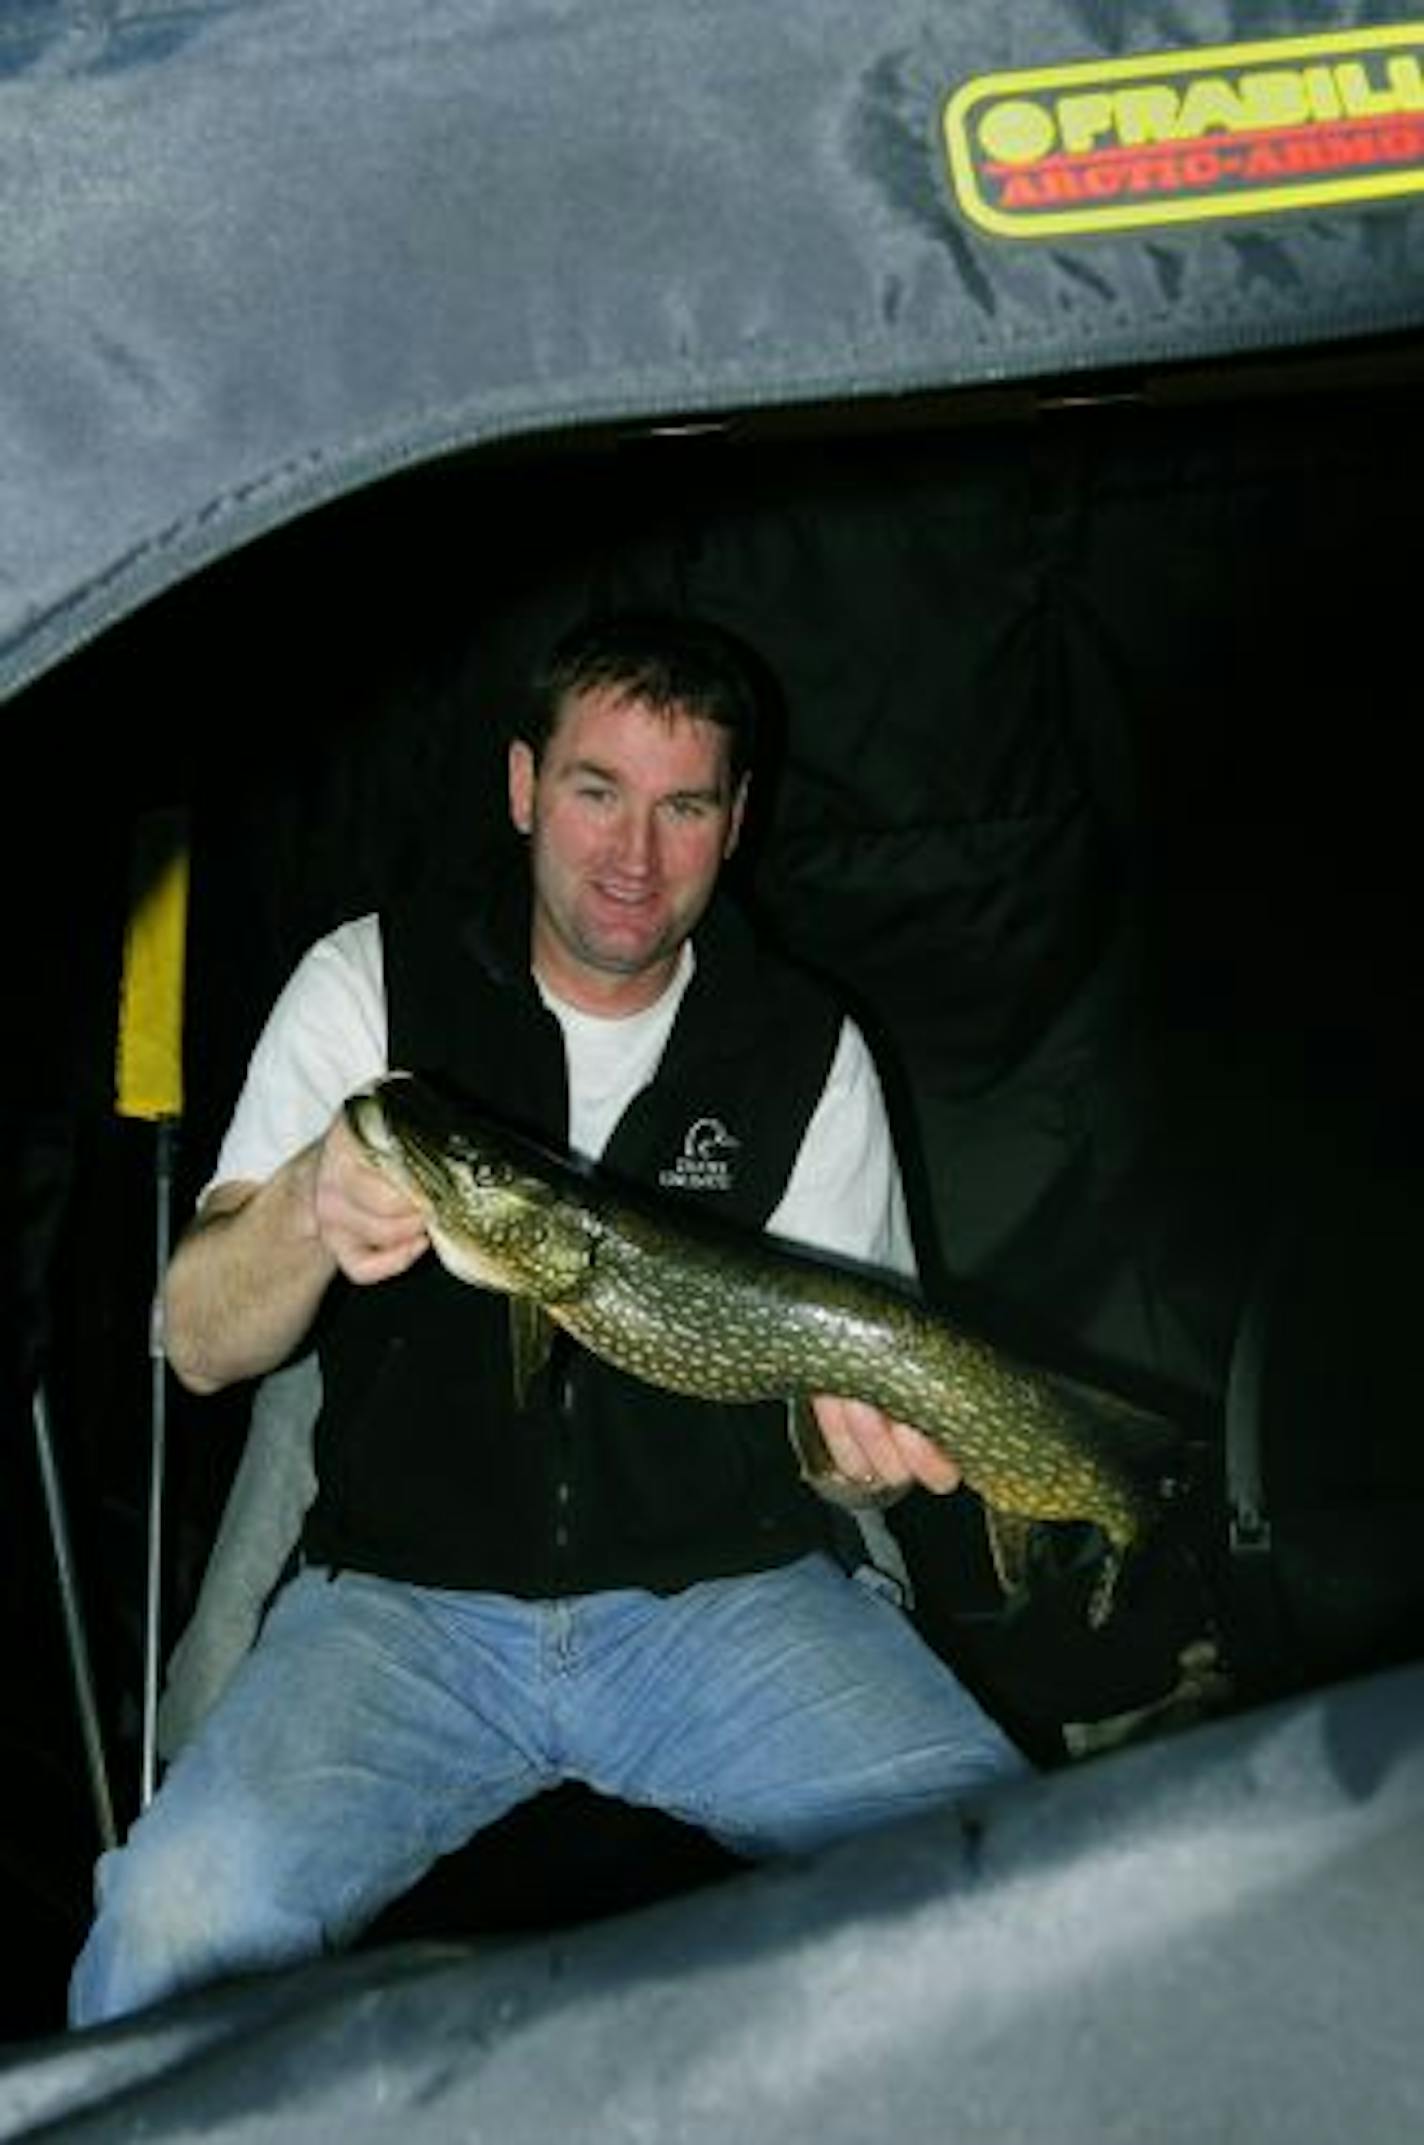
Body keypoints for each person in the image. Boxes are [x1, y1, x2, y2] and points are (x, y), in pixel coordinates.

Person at [69, 612, 1028, 2028]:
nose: (634, 857)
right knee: (171, 1923)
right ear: (523, 786)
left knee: (1018, 1879)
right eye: (596, 791)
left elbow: (835, 1432)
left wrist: (858, 1457)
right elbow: (203, 1339)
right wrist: (303, 1212)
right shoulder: (371, 984)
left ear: (735, 821)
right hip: (399, 1615)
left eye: (682, 804)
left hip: (724, 1600)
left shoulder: (803, 1049)